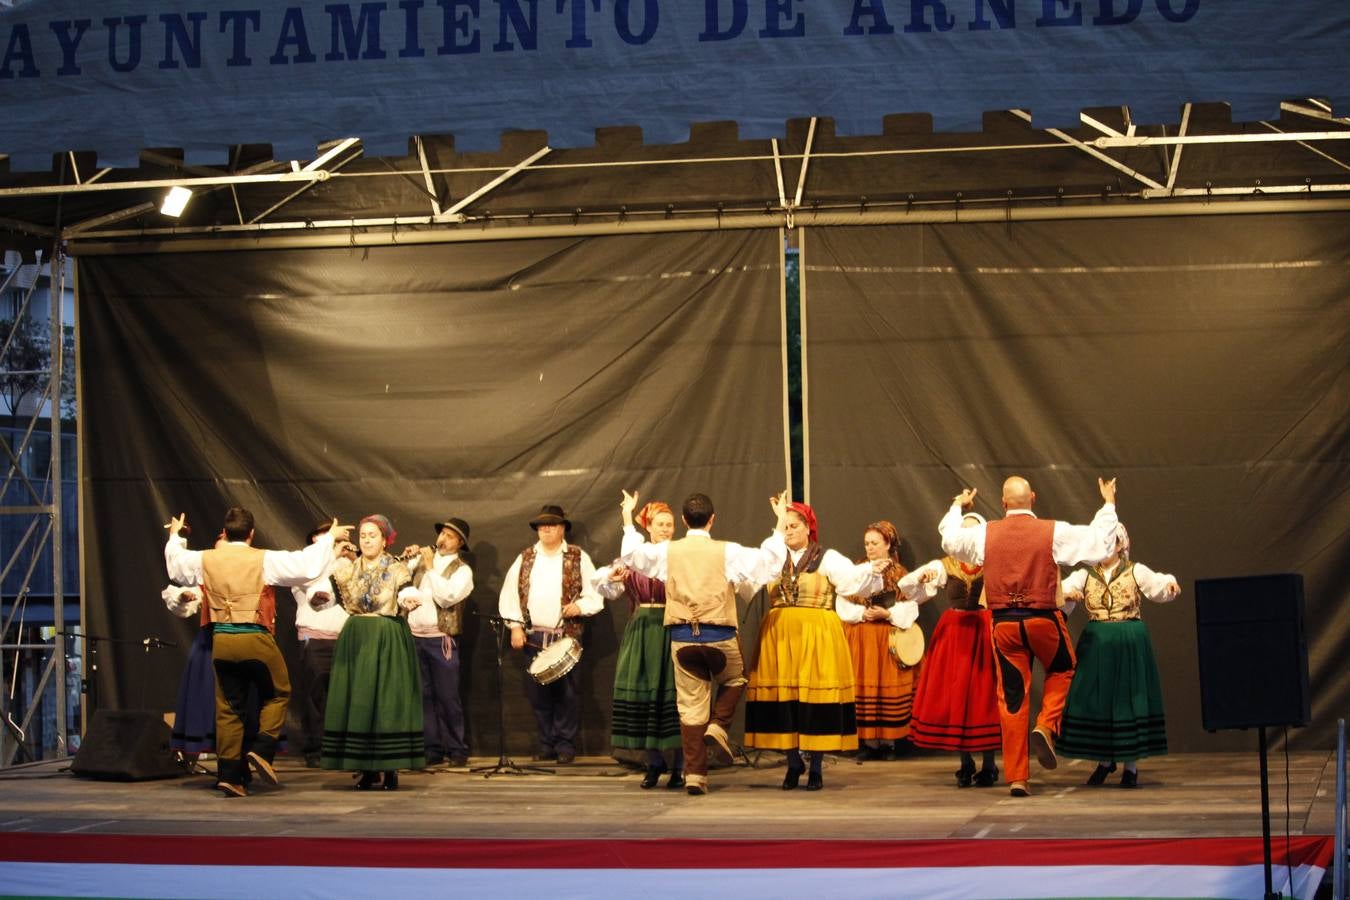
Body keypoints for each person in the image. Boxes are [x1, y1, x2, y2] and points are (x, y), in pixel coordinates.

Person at [939, 476, 1119, 797]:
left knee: (1011, 698)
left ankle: (1018, 777)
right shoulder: (1053, 531)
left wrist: (957, 506)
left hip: (1004, 623)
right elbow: (1101, 542)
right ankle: (1047, 725)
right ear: (1033, 498)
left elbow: (950, 540)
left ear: (1003, 502)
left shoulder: (984, 533)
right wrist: (1108, 505)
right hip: (1043, 619)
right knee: (1063, 668)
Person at [618, 490, 791, 795]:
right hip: (719, 637)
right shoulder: (727, 551)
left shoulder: (669, 552)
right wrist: (778, 524)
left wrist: (627, 520)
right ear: (712, 520)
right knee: (736, 679)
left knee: (690, 709)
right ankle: (719, 725)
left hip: (683, 640)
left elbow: (634, 557)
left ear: (684, 520)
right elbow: (769, 564)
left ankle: (695, 776)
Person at [164, 508, 344, 798]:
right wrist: (329, 540)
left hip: (221, 640)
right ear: (251, 534)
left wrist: (175, 536)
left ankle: (230, 775)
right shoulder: (263, 559)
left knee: (228, 708)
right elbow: (305, 565)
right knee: (279, 691)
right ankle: (262, 749)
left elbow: (176, 565)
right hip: (254, 638)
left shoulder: (205, 558)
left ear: (227, 531)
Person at [745, 502, 884, 791]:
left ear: (809, 528)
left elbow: (851, 583)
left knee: (815, 699)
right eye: (785, 526)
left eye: (794, 525)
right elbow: (748, 581)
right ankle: (793, 762)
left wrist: (872, 569)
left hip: (817, 634)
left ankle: (817, 766)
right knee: (784, 700)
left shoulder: (826, 557)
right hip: (779, 636)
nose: (789, 531)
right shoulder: (773, 558)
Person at [1057, 523, 1180, 788]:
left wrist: (1169, 586)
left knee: (1128, 699)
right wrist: (1067, 594)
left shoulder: (1135, 570)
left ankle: (1131, 767)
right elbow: (1058, 593)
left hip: (1128, 640)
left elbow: (1159, 585)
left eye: (1110, 541)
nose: (1104, 547)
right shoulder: (1085, 575)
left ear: (1121, 545)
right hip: (1098, 640)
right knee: (1097, 699)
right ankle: (1104, 761)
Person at [322, 514, 426, 790]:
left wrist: (409, 599)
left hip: (387, 636)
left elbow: (404, 591)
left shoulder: (396, 568)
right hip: (357, 637)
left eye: (373, 535)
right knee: (360, 700)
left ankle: (389, 767)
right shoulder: (346, 569)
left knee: (386, 700)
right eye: (363, 536)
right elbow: (328, 595)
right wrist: (318, 598)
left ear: (384, 540)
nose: (367, 540)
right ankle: (366, 769)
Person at [899, 512, 1001, 787]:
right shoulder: (944, 565)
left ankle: (990, 764)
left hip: (984, 631)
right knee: (956, 692)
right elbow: (906, 587)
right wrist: (922, 578)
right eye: (962, 530)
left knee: (983, 694)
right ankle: (965, 762)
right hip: (955, 633)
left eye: (972, 531)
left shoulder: (993, 561)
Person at [499, 505, 603, 765]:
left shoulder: (578, 557)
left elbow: (595, 594)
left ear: (562, 528)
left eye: (552, 525)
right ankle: (546, 742)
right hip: (534, 638)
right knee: (538, 696)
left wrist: (580, 606)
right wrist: (515, 627)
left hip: (566, 639)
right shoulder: (525, 558)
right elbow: (510, 594)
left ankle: (565, 745)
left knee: (568, 695)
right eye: (541, 526)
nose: (545, 529)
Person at [593, 492, 683, 789]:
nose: (666, 529)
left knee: (675, 696)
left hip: (673, 627)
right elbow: (606, 587)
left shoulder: (681, 555)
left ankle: (680, 765)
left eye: (669, 524)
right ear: (649, 527)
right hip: (643, 630)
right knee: (645, 693)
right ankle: (654, 762)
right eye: (661, 524)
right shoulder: (635, 557)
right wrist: (614, 577)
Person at [838, 520, 920, 760]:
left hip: (888, 636)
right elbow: (841, 601)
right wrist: (862, 613)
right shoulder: (856, 570)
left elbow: (911, 605)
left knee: (885, 688)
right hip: (860, 636)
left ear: (888, 544)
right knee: (863, 686)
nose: (869, 548)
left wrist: (887, 613)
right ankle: (867, 742)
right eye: (866, 543)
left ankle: (888, 743)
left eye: (874, 543)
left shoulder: (899, 573)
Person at [403, 517, 475, 768]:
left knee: (447, 697)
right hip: (415, 637)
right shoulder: (420, 563)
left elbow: (447, 598)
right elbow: (398, 583)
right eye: (442, 533)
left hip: (440, 639)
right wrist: (407, 558)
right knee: (423, 696)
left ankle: (456, 748)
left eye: (450, 536)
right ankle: (431, 748)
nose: (442, 539)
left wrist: (431, 566)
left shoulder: (463, 570)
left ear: (460, 543)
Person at [290, 521, 348, 768]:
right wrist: (332, 556)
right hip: (314, 638)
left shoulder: (345, 564)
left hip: (343, 637)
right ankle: (315, 749)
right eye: (326, 534)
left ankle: (340, 748)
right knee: (315, 696)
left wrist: (347, 559)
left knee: (343, 697)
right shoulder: (304, 565)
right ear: (315, 539)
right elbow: (314, 590)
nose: (331, 538)